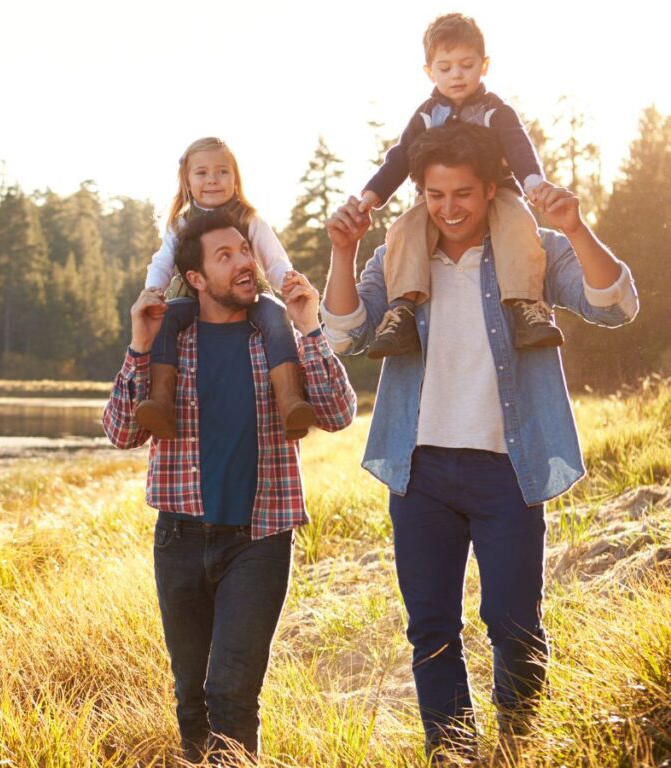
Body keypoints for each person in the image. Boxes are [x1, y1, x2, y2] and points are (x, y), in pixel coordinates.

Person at [321, 123, 638, 762]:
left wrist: (576, 227)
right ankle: (453, 752)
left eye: (462, 193)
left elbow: (614, 304)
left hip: (508, 469)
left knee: (514, 625)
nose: (449, 209)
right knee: (431, 628)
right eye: (435, 196)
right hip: (422, 471)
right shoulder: (399, 256)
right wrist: (342, 254)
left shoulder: (531, 248)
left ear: (490, 188)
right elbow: (344, 337)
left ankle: (518, 743)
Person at [103, 209, 356, 763]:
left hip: (259, 541)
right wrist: (139, 343)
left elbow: (337, 415)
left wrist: (310, 324)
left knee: (231, 696)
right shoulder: (174, 340)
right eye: (226, 257)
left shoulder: (276, 336)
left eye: (245, 250)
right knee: (191, 700)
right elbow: (122, 432)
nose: (246, 262)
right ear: (195, 279)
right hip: (180, 538)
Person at [357, 12, 563, 359]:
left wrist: (533, 182)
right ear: (429, 72)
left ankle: (527, 306)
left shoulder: (494, 110)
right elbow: (400, 157)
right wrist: (371, 195)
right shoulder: (426, 115)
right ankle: (402, 311)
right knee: (404, 229)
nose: (456, 75)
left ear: (484, 66)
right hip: (437, 197)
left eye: (466, 65)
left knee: (518, 223)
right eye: (446, 67)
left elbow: (517, 145)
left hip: (497, 191)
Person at [135, 136, 316, 441]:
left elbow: (273, 259)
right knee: (166, 320)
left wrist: (288, 282)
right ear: (187, 182)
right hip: (189, 298)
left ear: (235, 178)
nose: (213, 180)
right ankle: (162, 402)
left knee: (275, 316)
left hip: (247, 295)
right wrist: (153, 290)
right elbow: (163, 261)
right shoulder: (179, 224)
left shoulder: (248, 217)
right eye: (202, 173)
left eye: (222, 172)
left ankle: (290, 401)